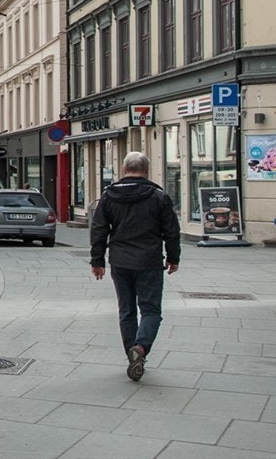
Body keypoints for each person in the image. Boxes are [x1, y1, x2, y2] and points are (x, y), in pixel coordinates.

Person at [89, 151, 181, 382]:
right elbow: (171, 230)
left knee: (126, 310)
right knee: (151, 310)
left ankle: (133, 357)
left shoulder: (108, 196)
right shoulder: (158, 196)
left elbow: (99, 230)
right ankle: (140, 349)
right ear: (147, 170)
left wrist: (97, 260)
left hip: (120, 261)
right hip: (149, 260)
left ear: (123, 169)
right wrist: (173, 257)